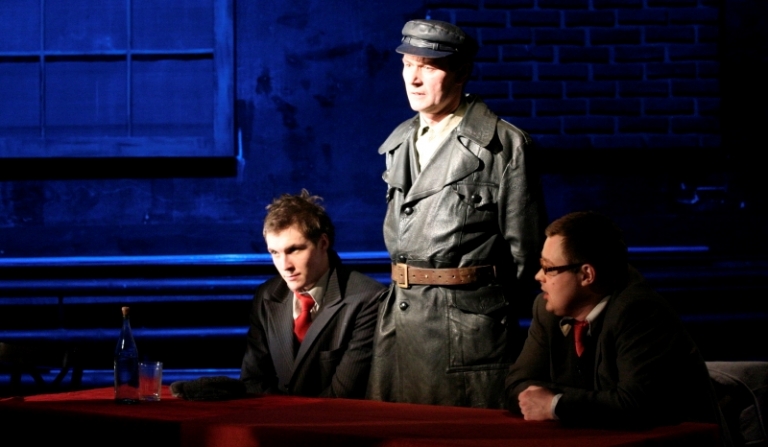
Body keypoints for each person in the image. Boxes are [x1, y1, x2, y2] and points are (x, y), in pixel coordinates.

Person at [367, 19, 545, 408]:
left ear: (461, 73)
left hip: (467, 332)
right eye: (407, 64)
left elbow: (526, 254)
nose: (413, 79)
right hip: (398, 326)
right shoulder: (399, 142)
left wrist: (480, 312)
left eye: (428, 67)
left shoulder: (503, 146)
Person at [505, 211, 721, 428]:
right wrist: (587, 402)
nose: (538, 276)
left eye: (548, 268)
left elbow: (636, 404)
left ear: (586, 275)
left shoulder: (638, 311)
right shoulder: (547, 309)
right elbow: (516, 386)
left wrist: (555, 404)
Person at [240, 190, 385, 398]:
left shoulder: (368, 299)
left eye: (294, 250)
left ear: (323, 243)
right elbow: (253, 381)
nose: (285, 265)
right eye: (275, 253)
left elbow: (342, 396)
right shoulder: (267, 295)